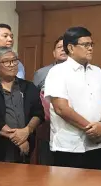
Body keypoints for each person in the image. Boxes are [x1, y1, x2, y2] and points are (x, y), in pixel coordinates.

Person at [45, 27, 101, 169]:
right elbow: (61, 108)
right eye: (85, 45)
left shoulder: (98, 72)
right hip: (70, 146)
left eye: (91, 45)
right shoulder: (58, 72)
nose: (90, 49)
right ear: (70, 47)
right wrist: (91, 129)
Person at [0, 47, 44, 163]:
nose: (12, 64)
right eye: (6, 61)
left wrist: (27, 131)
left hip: (26, 148)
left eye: (14, 60)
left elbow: (38, 113)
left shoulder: (28, 87)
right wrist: (19, 140)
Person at [32, 36, 67, 165]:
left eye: (65, 47)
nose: (62, 50)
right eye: (59, 47)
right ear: (53, 53)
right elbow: (34, 99)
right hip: (47, 125)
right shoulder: (42, 73)